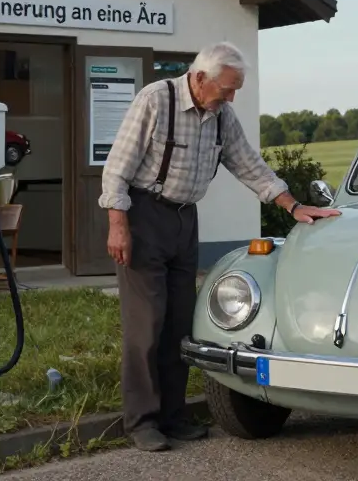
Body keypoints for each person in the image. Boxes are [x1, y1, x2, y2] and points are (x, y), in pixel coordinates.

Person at [97, 41, 341, 451]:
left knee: (180, 324)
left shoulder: (221, 115)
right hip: (143, 217)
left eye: (236, 89)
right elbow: (117, 168)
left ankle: (174, 417)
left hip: (183, 220)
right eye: (228, 88)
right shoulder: (157, 100)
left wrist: (294, 205)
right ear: (199, 78)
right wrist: (117, 224)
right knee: (146, 326)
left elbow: (249, 164)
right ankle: (141, 421)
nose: (232, 97)